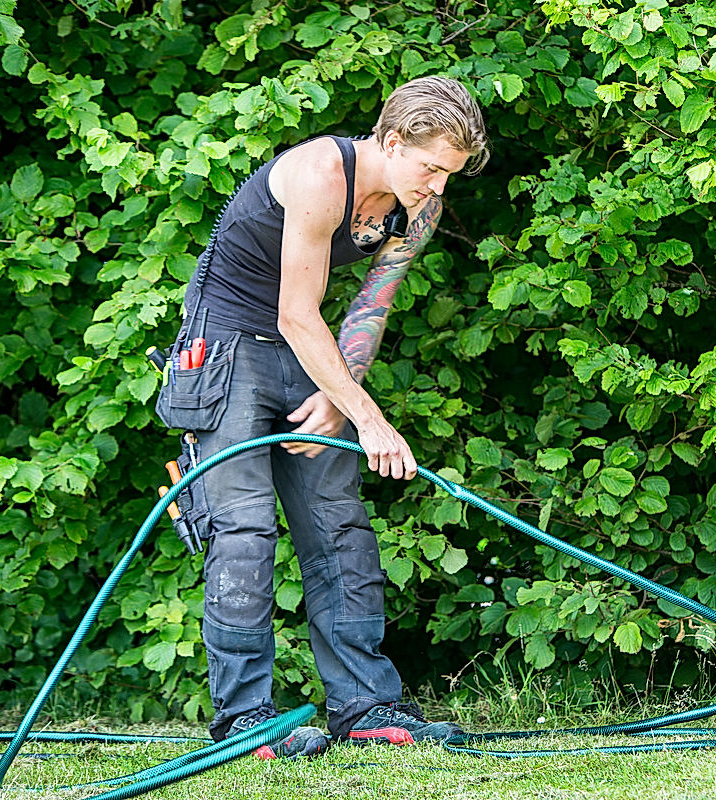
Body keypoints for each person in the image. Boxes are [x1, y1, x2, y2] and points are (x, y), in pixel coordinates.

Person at [158, 76, 489, 758]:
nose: (437, 187)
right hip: (225, 342)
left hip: (304, 345)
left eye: (450, 174)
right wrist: (369, 419)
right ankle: (244, 724)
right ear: (392, 141)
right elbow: (294, 311)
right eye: (430, 168)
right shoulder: (317, 174)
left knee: (339, 526)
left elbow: (371, 305)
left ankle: (366, 706)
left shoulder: (415, 208)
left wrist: (344, 395)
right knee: (244, 529)